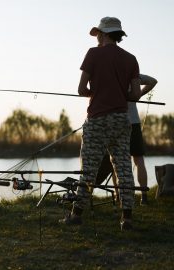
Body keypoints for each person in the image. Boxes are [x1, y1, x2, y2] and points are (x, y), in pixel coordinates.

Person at [60, 17, 141, 231]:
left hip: (97, 119)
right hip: (121, 120)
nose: (96, 38)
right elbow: (135, 94)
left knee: (88, 168)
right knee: (123, 167)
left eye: (98, 34)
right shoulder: (131, 59)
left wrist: (96, 93)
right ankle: (127, 219)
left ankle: (76, 215)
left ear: (104, 34)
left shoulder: (93, 54)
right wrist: (118, 94)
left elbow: (81, 89)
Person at [109, 74, 158, 205]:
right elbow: (153, 81)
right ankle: (144, 197)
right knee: (138, 160)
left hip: (116, 123)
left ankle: (119, 196)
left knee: (116, 161)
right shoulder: (132, 75)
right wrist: (138, 94)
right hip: (133, 122)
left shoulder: (111, 74)